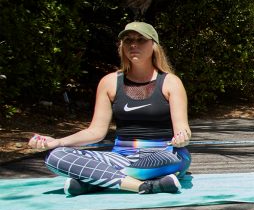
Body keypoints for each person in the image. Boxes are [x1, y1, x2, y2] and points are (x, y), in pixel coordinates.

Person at [28, 21, 192, 196]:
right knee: (55, 156)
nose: (133, 44)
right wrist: (57, 142)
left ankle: (96, 181)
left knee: (175, 157)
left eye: (141, 39)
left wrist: (182, 138)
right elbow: (95, 132)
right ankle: (145, 186)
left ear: (154, 45)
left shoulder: (171, 82)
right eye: (128, 40)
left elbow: (183, 130)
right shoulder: (109, 82)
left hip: (161, 154)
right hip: (119, 159)